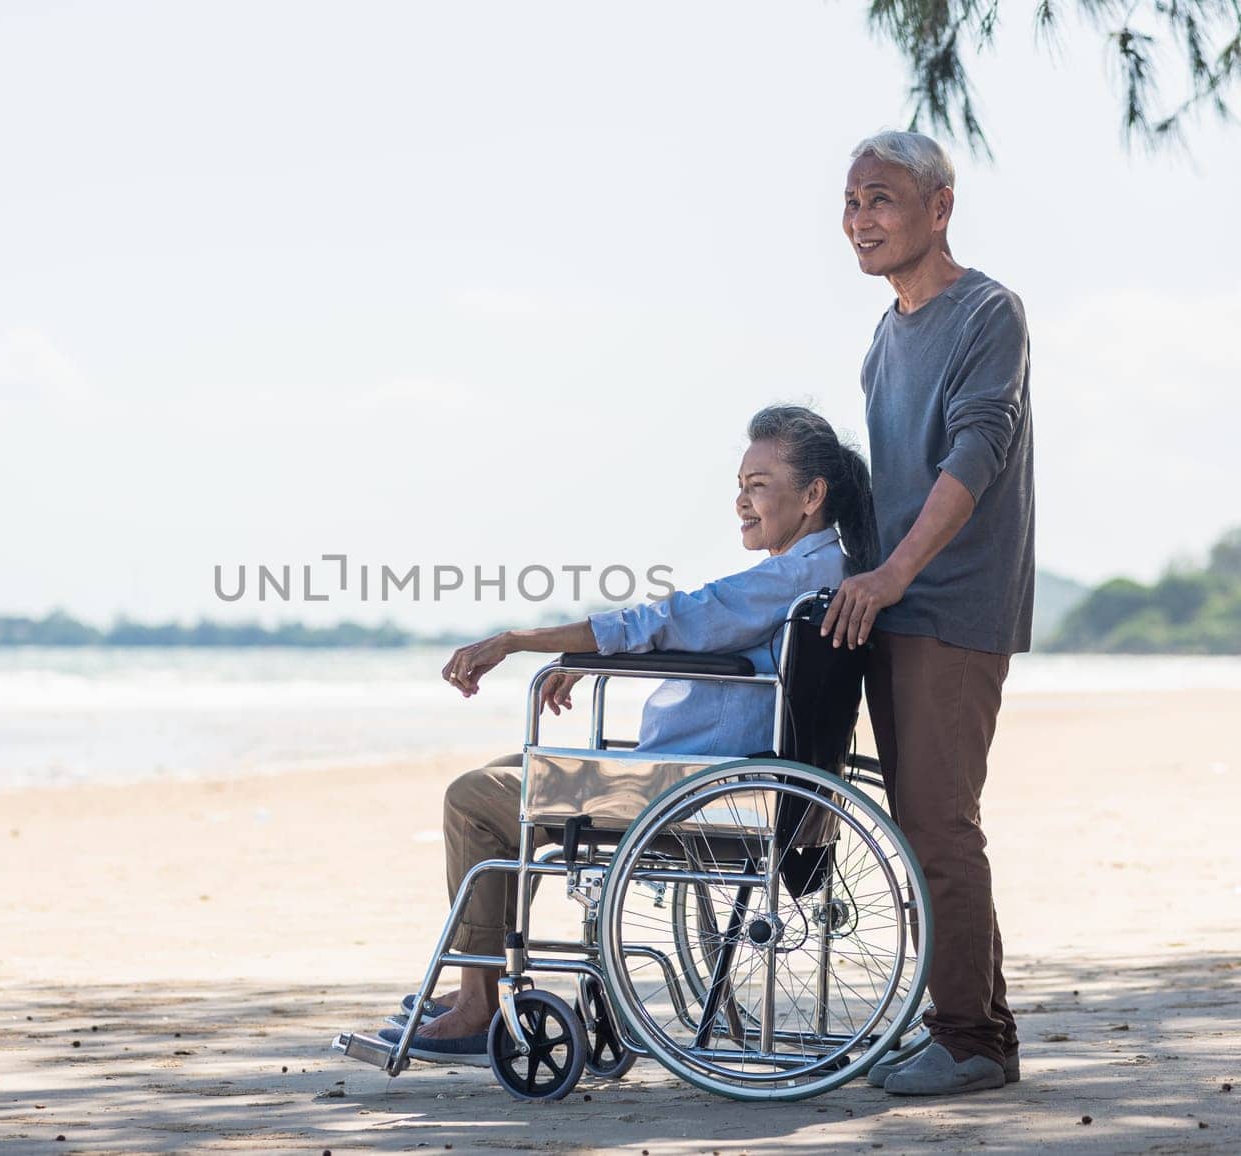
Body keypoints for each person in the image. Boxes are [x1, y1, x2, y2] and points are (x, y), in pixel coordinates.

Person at [379, 405, 876, 1064]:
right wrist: (589, 660)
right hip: (739, 780)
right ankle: (482, 984)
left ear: (812, 496)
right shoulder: (826, 572)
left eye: (757, 485)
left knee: (476, 798)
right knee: (511, 779)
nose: (740, 503)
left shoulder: (788, 580)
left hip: (699, 790)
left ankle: (478, 1000)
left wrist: (519, 641)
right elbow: (679, 627)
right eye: (740, 485)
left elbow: (668, 621)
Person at [823, 130, 1035, 1096]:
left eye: (881, 200)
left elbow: (974, 457)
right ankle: (975, 1026)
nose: (859, 220)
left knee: (939, 821)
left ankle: (971, 1043)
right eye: (852, 202)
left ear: (938, 208)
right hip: (889, 604)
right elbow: (884, 486)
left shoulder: (989, 312)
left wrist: (897, 576)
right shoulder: (884, 334)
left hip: (952, 605)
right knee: (923, 825)